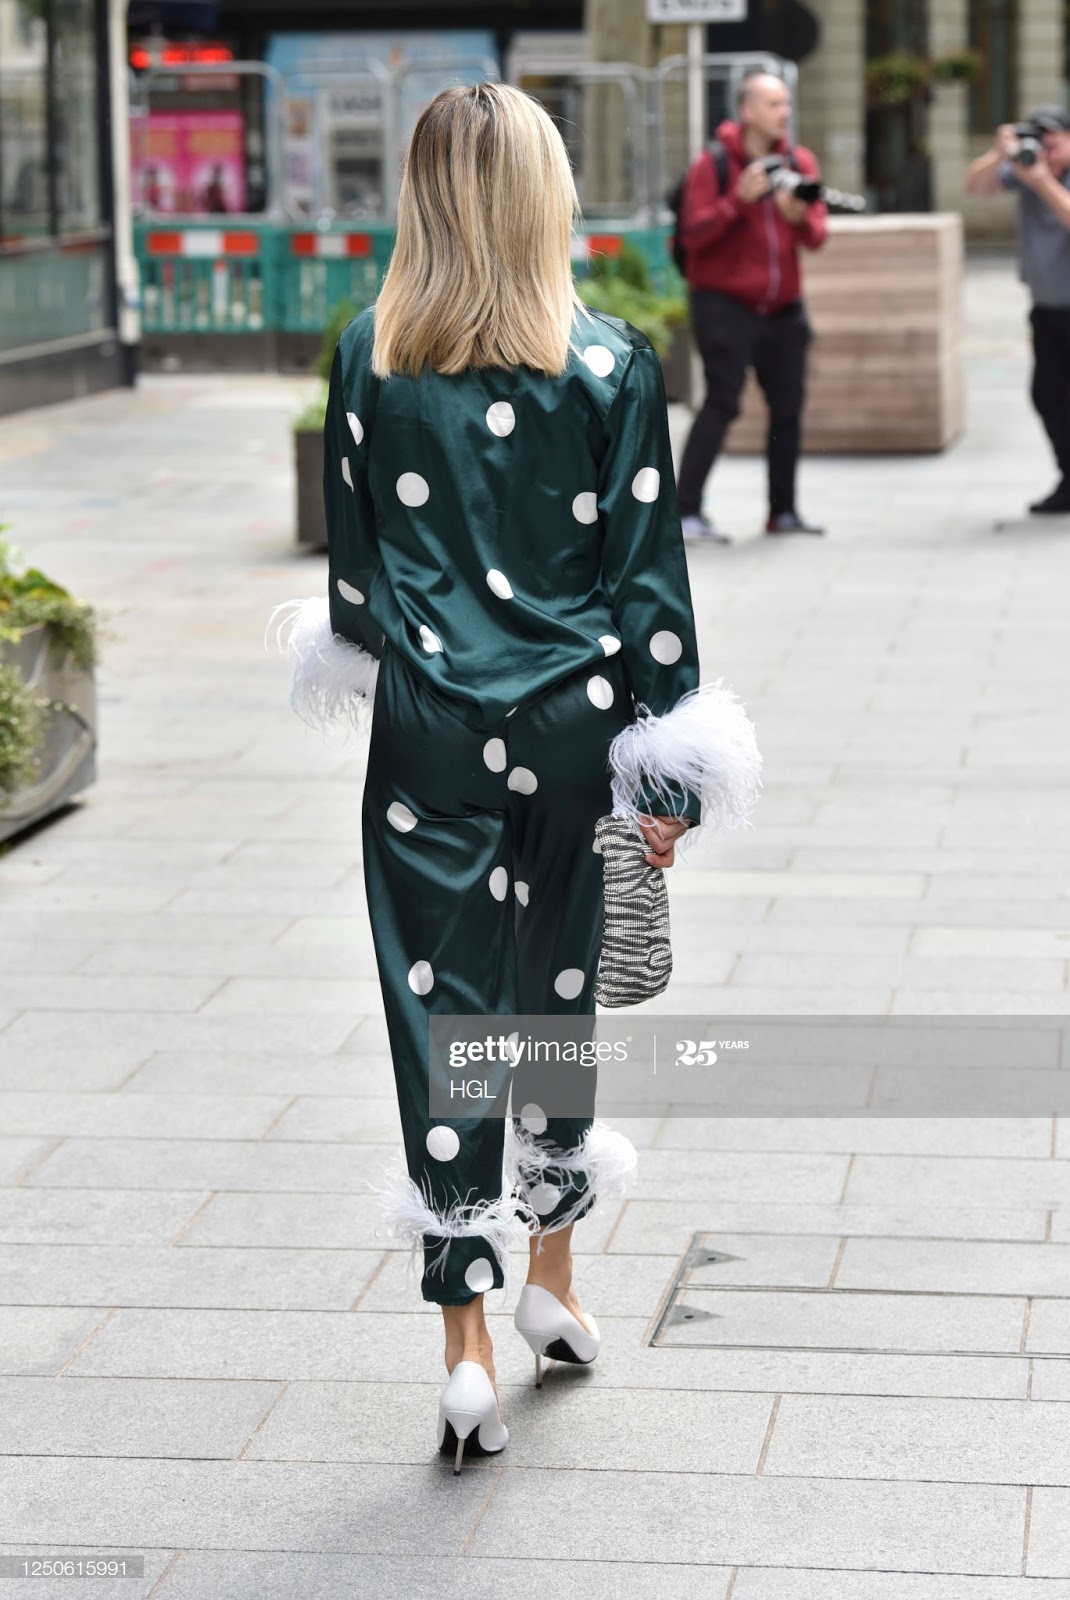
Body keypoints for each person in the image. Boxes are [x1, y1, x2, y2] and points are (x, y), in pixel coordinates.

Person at [269, 83, 760, 1471]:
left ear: (422, 202)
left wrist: (428, 649)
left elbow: (357, 595)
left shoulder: (368, 357)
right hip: (572, 732)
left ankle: (464, 1350)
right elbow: (649, 592)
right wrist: (661, 789)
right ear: (545, 201)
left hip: (426, 740)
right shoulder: (609, 365)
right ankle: (553, 1277)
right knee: (552, 1008)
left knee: (443, 1028)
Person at [675, 69, 828, 541]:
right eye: (774, 104)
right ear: (747, 110)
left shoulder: (800, 161)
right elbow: (692, 234)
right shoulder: (714, 164)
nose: (784, 113)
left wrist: (798, 216)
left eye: (786, 104)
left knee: (788, 408)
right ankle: (686, 513)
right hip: (725, 305)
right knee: (722, 403)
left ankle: (782, 513)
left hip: (784, 309)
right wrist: (737, 202)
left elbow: (818, 236)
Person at [966, 108, 1070, 515]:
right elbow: (976, 187)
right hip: (1046, 310)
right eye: (1038, 142)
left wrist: (1042, 181)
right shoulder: (1027, 172)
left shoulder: (1040, 178)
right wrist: (999, 154)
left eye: (1054, 141)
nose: (1044, 150)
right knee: (1048, 395)